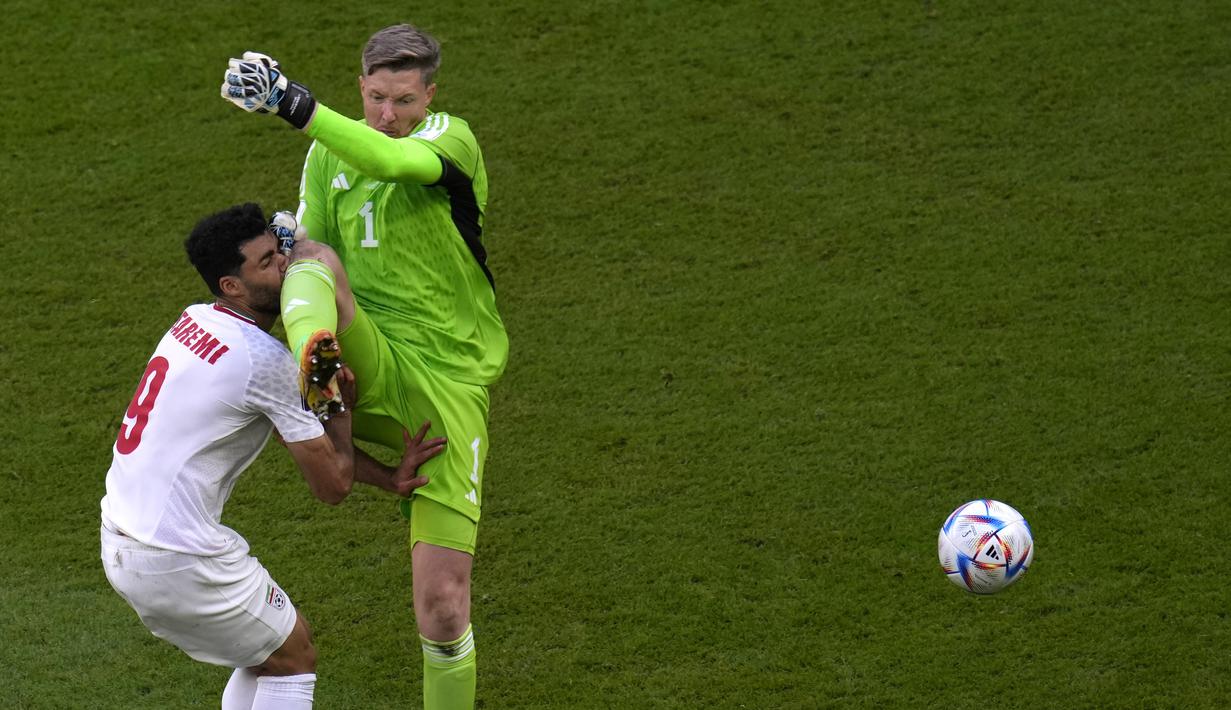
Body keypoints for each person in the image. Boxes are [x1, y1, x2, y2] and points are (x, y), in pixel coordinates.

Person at [220, 25, 508, 710]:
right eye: (376, 98)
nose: (388, 115)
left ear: (430, 95)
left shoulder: (451, 141)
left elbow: (393, 162)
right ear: (361, 88)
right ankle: (312, 362)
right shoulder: (329, 153)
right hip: (366, 351)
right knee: (313, 260)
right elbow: (313, 242)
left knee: (441, 606)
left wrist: (293, 103)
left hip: (447, 385)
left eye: (404, 100)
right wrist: (292, 235)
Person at [99, 203, 445, 710]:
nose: (284, 266)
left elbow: (294, 436)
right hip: (180, 556)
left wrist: (389, 477)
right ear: (232, 286)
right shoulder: (263, 363)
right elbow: (333, 486)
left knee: (263, 653)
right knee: (294, 655)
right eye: (266, 264)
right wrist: (339, 411)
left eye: (276, 252)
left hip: (122, 544)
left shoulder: (194, 321)